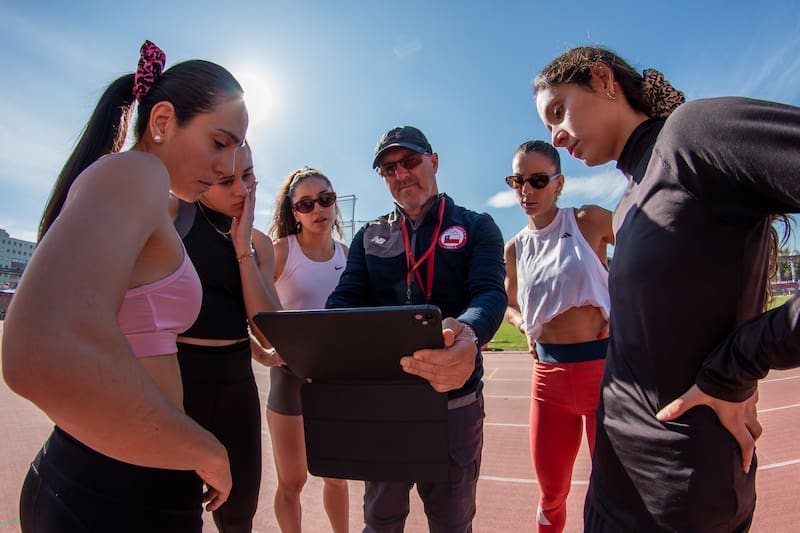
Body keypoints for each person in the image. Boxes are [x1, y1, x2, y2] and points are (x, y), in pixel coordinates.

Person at [533, 45, 800, 532]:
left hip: (679, 493)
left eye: (558, 111)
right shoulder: (629, 201)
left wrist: (742, 361)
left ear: (603, 80)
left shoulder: (693, 135)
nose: (554, 134)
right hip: (614, 482)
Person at [1, 41, 248, 532]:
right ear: (161, 121)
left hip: (97, 476)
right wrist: (203, 448)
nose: (228, 166)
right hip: (117, 493)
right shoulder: (138, 173)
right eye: (219, 142)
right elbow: (40, 350)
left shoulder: (138, 186)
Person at [326, 125, 507, 532]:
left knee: (452, 523)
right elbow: (345, 297)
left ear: (433, 161)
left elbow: (490, 294)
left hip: (454, 403)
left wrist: (468, 333)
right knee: (381, 521)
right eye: (389, 169)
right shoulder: (369, 235)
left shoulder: (477, 226)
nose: (401, 174)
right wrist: (324, 335)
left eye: (409, 161)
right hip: (386, 403)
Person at [502, 140, 613, 532]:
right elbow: (508, 303)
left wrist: (628, 308)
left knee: (616, 489)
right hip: (547, 381)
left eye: (537, 180)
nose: (526, 191)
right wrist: (521, 326)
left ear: (559, 183)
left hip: (605, 377)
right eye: (518, 181)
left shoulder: (589, 221)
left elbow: (649, 252)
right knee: (551, 493)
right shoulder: (515, 248)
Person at [173, 143, 282, 532]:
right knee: (176, 511)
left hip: (235, 388)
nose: (242, 190)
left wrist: (242, 249)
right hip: (176, 384)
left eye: (249, 175)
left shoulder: (259, 243)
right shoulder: (173, 217)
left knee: (238, 514)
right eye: (226, 180)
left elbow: (268, 325)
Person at [265, 166, 350, 533]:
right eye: (306, 204)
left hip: (336, 385)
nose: (319, 209)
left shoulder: (350, 255)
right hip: (288, 381)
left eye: (326, 200)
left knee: (337, 477)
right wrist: (260, 352)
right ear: (293, 211)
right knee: (292, 481)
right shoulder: (281, 252)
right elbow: (243, 306)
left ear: (335, 203)